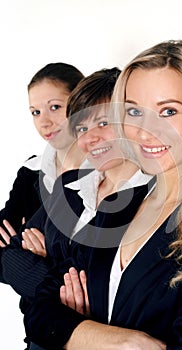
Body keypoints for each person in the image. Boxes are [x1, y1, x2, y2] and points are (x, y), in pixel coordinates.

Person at [23, 39, 182, 350]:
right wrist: (125, 342)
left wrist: (77, 330)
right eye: (134, 110)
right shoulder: (117, 205)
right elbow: (40, 312)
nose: (145, 130)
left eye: (168, 111)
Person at [2, 67, 154, 349]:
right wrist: (62, 296)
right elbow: (8, 254)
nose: (89, 138)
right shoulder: (69, 185)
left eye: (102, 123)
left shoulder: (153, 198)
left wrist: (48, 278)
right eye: (82, 128)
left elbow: (107, 292)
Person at [0, 62, 85, 262]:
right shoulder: (31, 171)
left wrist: (23, 252)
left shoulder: (109, 173)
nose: (43, 122)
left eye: (54, 107)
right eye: (35, 112)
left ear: (82, 104)